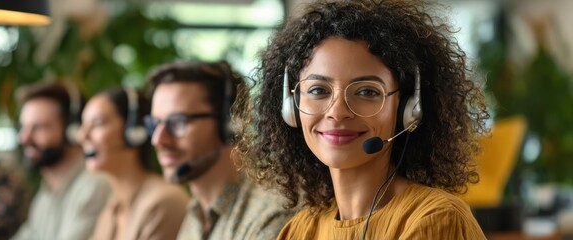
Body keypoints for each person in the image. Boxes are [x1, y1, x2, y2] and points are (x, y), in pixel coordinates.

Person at [233, 0, 490, 239]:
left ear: (409, 108)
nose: (337, 111)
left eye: (367, 92)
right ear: (292, 106)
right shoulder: (300, 230)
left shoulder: (435, 219)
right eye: (318, 90)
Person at [145, 61, 295, 240]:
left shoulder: (271, 215)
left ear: (228, 124)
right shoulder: (197, 213)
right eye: (154, 124)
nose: (158, 140)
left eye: (178, 122)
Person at [78, 87, 188, 240]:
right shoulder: (112, 209)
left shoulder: (163, 203)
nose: (82, 136)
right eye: (83, 125)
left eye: (97, 124)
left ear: (133, 130)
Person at [13, 81, 111, 240]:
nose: (24, 138)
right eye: (23, 127)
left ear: (72, 130)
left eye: (39, 127)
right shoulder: (46, 192)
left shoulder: (94, 187)